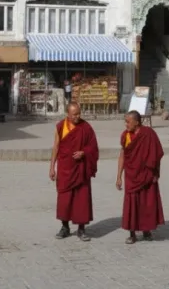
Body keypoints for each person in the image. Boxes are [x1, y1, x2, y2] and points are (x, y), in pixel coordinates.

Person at [49, 103, 99, 241]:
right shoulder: (60, 126)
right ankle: (64, 227)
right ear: (68, 114)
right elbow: (56, 147)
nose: (77, 117)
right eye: (74, 114)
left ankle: (81, 229)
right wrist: (52, 167)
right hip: (65, 168)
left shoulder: (86, 127)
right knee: (64, 198)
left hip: (80, 169)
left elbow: (93, 147)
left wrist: (84, 152)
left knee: (81, 199)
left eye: (78, 113)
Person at [116, 110, 165, 244]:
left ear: (137, 122)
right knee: (132, 203)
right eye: (125, 122)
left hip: (147, 175)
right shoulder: (125, 136)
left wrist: (156, 173)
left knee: (146, 202)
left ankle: (146, 230)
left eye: (128, 122)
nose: (126, 125)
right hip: (132, 176)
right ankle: (132, 233)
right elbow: (122, 156)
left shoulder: (148, 134)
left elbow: (157, 154)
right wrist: (119, 176)